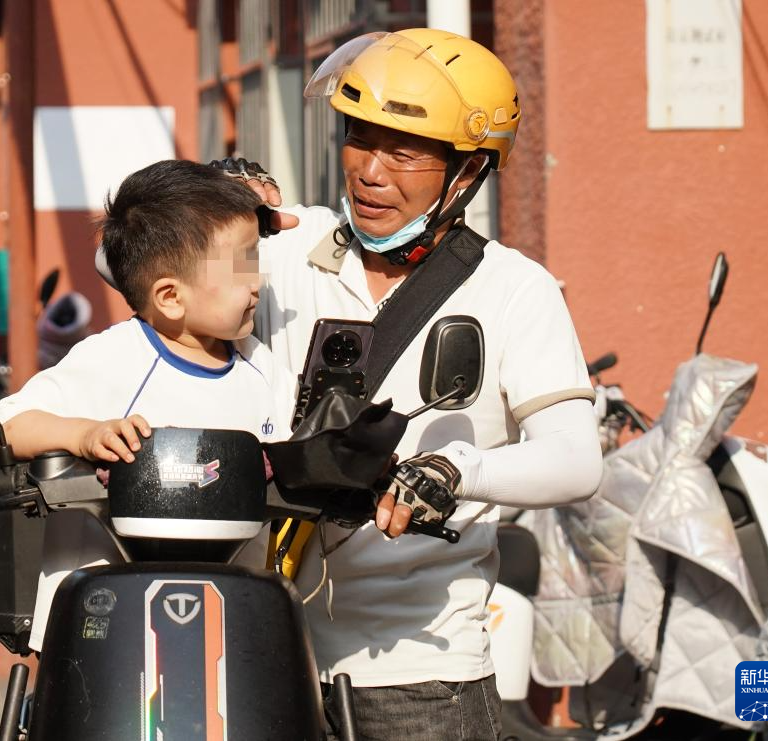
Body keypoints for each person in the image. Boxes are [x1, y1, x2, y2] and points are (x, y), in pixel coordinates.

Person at [221, 29, 604, 740]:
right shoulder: (287, 246)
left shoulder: (514, 290)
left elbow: (577, 459)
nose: (370, 171)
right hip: (257, 652)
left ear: (467, 171)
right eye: (360, 140)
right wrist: (206, 205)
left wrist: (456, 469)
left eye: (403, 153)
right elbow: (130, 265)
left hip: (417, 674)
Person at [0, 159, 293, 653]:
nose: (256, 282)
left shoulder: (264, 370)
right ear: (170, 297)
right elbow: (3, 431)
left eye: (254, 259)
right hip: (102, 634)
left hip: (226, 634)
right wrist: (83, 435)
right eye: (240, 266)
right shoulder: (113, 358)